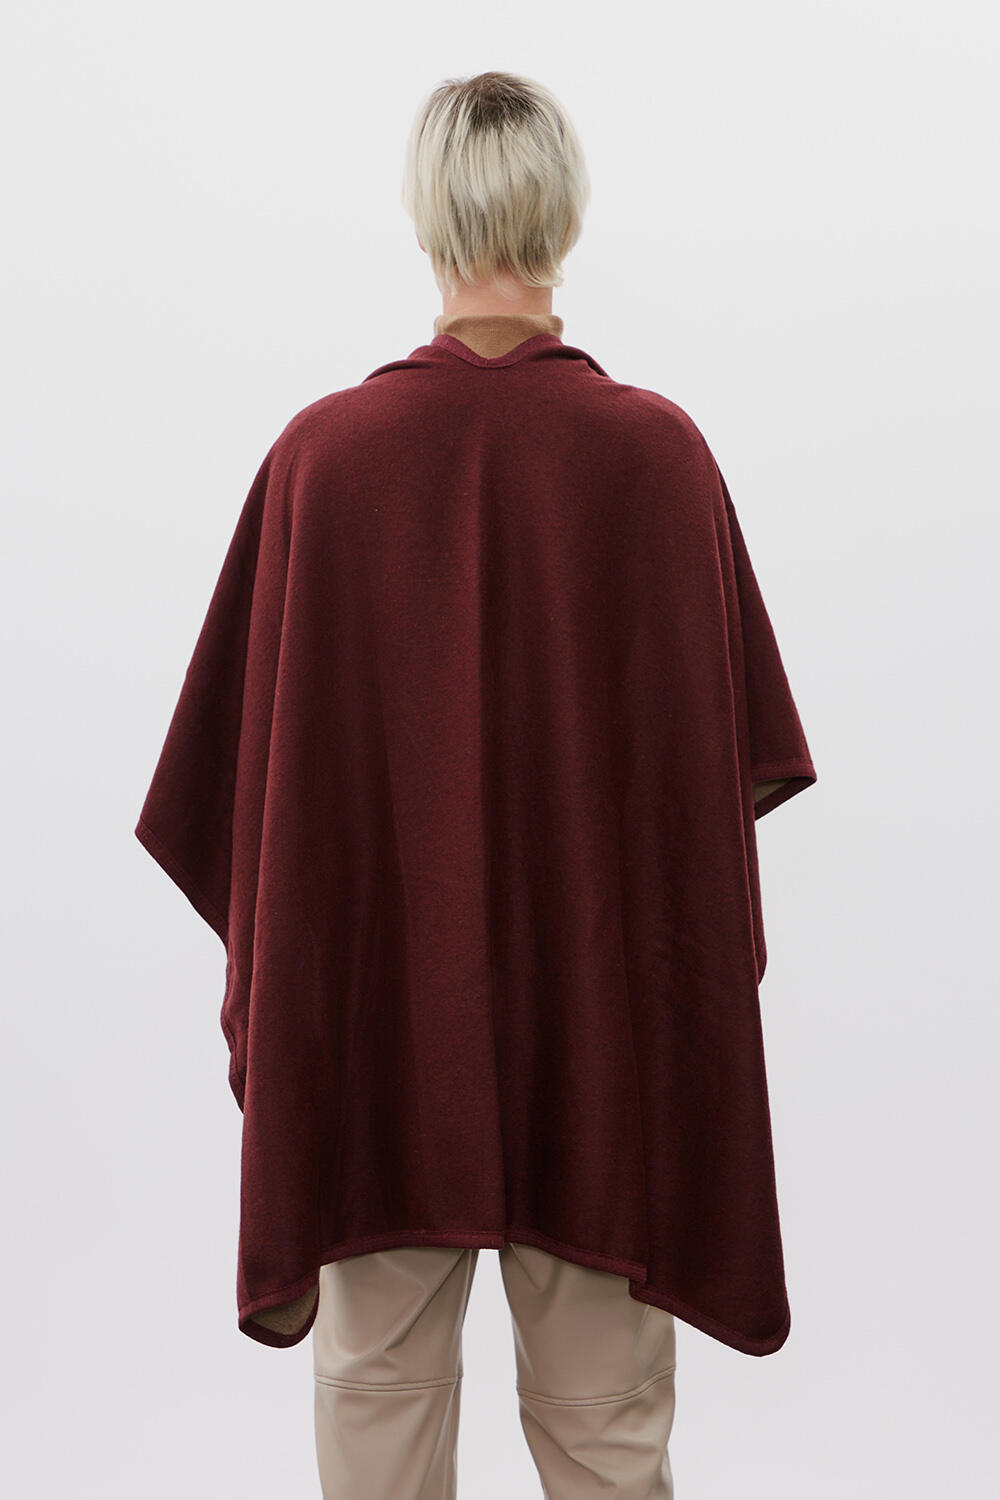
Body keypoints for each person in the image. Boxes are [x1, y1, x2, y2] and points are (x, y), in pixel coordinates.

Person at [135, 69, 816, 1500]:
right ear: (566, 214)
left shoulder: (325, 460)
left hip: (379, 1050)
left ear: (423, 217)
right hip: (601, 1057)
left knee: (378, 1420)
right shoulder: (658, 458)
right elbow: (709, 804)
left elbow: (248, 810)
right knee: (608, 1431)